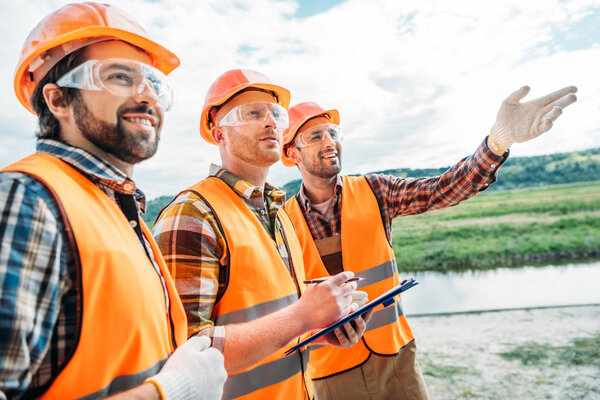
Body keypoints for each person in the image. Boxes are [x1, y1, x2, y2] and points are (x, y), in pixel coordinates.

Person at [281, 87, 577, 400]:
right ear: (292, 154)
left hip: (395, 356)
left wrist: (498, 141)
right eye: (315, 136)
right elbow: (278, 309)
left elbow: (443, 188)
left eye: (332, 133)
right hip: (329, 371)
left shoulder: (375, 189)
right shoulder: (281, 223)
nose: (329, 142)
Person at [0, 3, 226, 399]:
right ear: (57, 100)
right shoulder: (27, 200)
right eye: (119, 77)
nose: (147, 96)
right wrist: (171, 392)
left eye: (154, 83)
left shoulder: (117, 207)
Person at [153, 69, 372, 400]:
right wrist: (301, 318)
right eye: (252, 113)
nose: (270, 122)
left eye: (275, 114)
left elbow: (275, 319)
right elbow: (184, 354)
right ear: (218, 134)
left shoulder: (278, 215)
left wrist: (320, 328)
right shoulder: (193, 214)